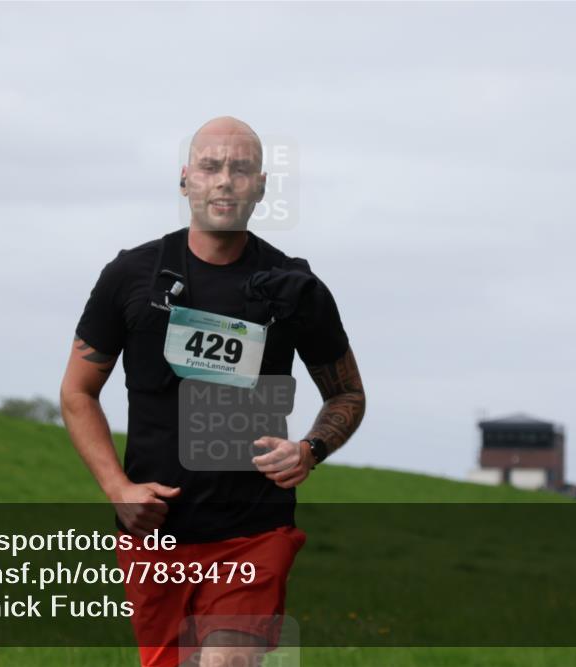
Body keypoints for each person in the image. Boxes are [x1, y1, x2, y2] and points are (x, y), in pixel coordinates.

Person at [60, 116, 365, 667]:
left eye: (241, 168)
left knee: (226, 662)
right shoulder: (132, 275)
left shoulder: (296, 288)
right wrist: (116, 489)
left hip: (253, 530)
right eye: (210, 166)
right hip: (156, 534)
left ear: (262, 186)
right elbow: (78, 392)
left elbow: (347, 395)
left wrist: (310, 450)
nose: (225, 180)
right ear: (185, 180)